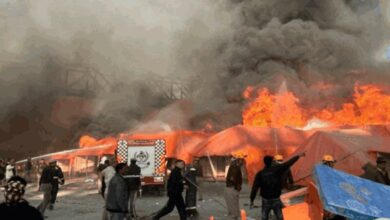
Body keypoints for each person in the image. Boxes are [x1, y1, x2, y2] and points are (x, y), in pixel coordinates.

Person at [250, 152, 305, 220]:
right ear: (272, 162)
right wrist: (298, 156)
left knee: (264, 217)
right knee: (280, 217)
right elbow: (288, 163)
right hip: (276, 199)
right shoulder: (277, 170)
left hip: (265, 200)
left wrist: (252, 199)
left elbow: (254, 188)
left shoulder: (260, 174)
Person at [306, 155, 346, 220]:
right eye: (330, 163)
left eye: (331, 163)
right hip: (328, 203)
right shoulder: (324, 175)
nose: (331, 165)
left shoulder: (320, 173)